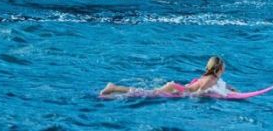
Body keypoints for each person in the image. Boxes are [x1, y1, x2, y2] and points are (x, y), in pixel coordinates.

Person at [99, 56, 237, 96]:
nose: (225, 67)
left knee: (147, 92)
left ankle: (114, 90)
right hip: (176, 89)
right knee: (147, 93)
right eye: (224, 65)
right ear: (220, 68)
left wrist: (232, 89)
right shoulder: (211, 79)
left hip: (177, 86)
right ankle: (113, 88)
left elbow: (222, 84)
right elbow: (199, 93)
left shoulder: (212, 78)